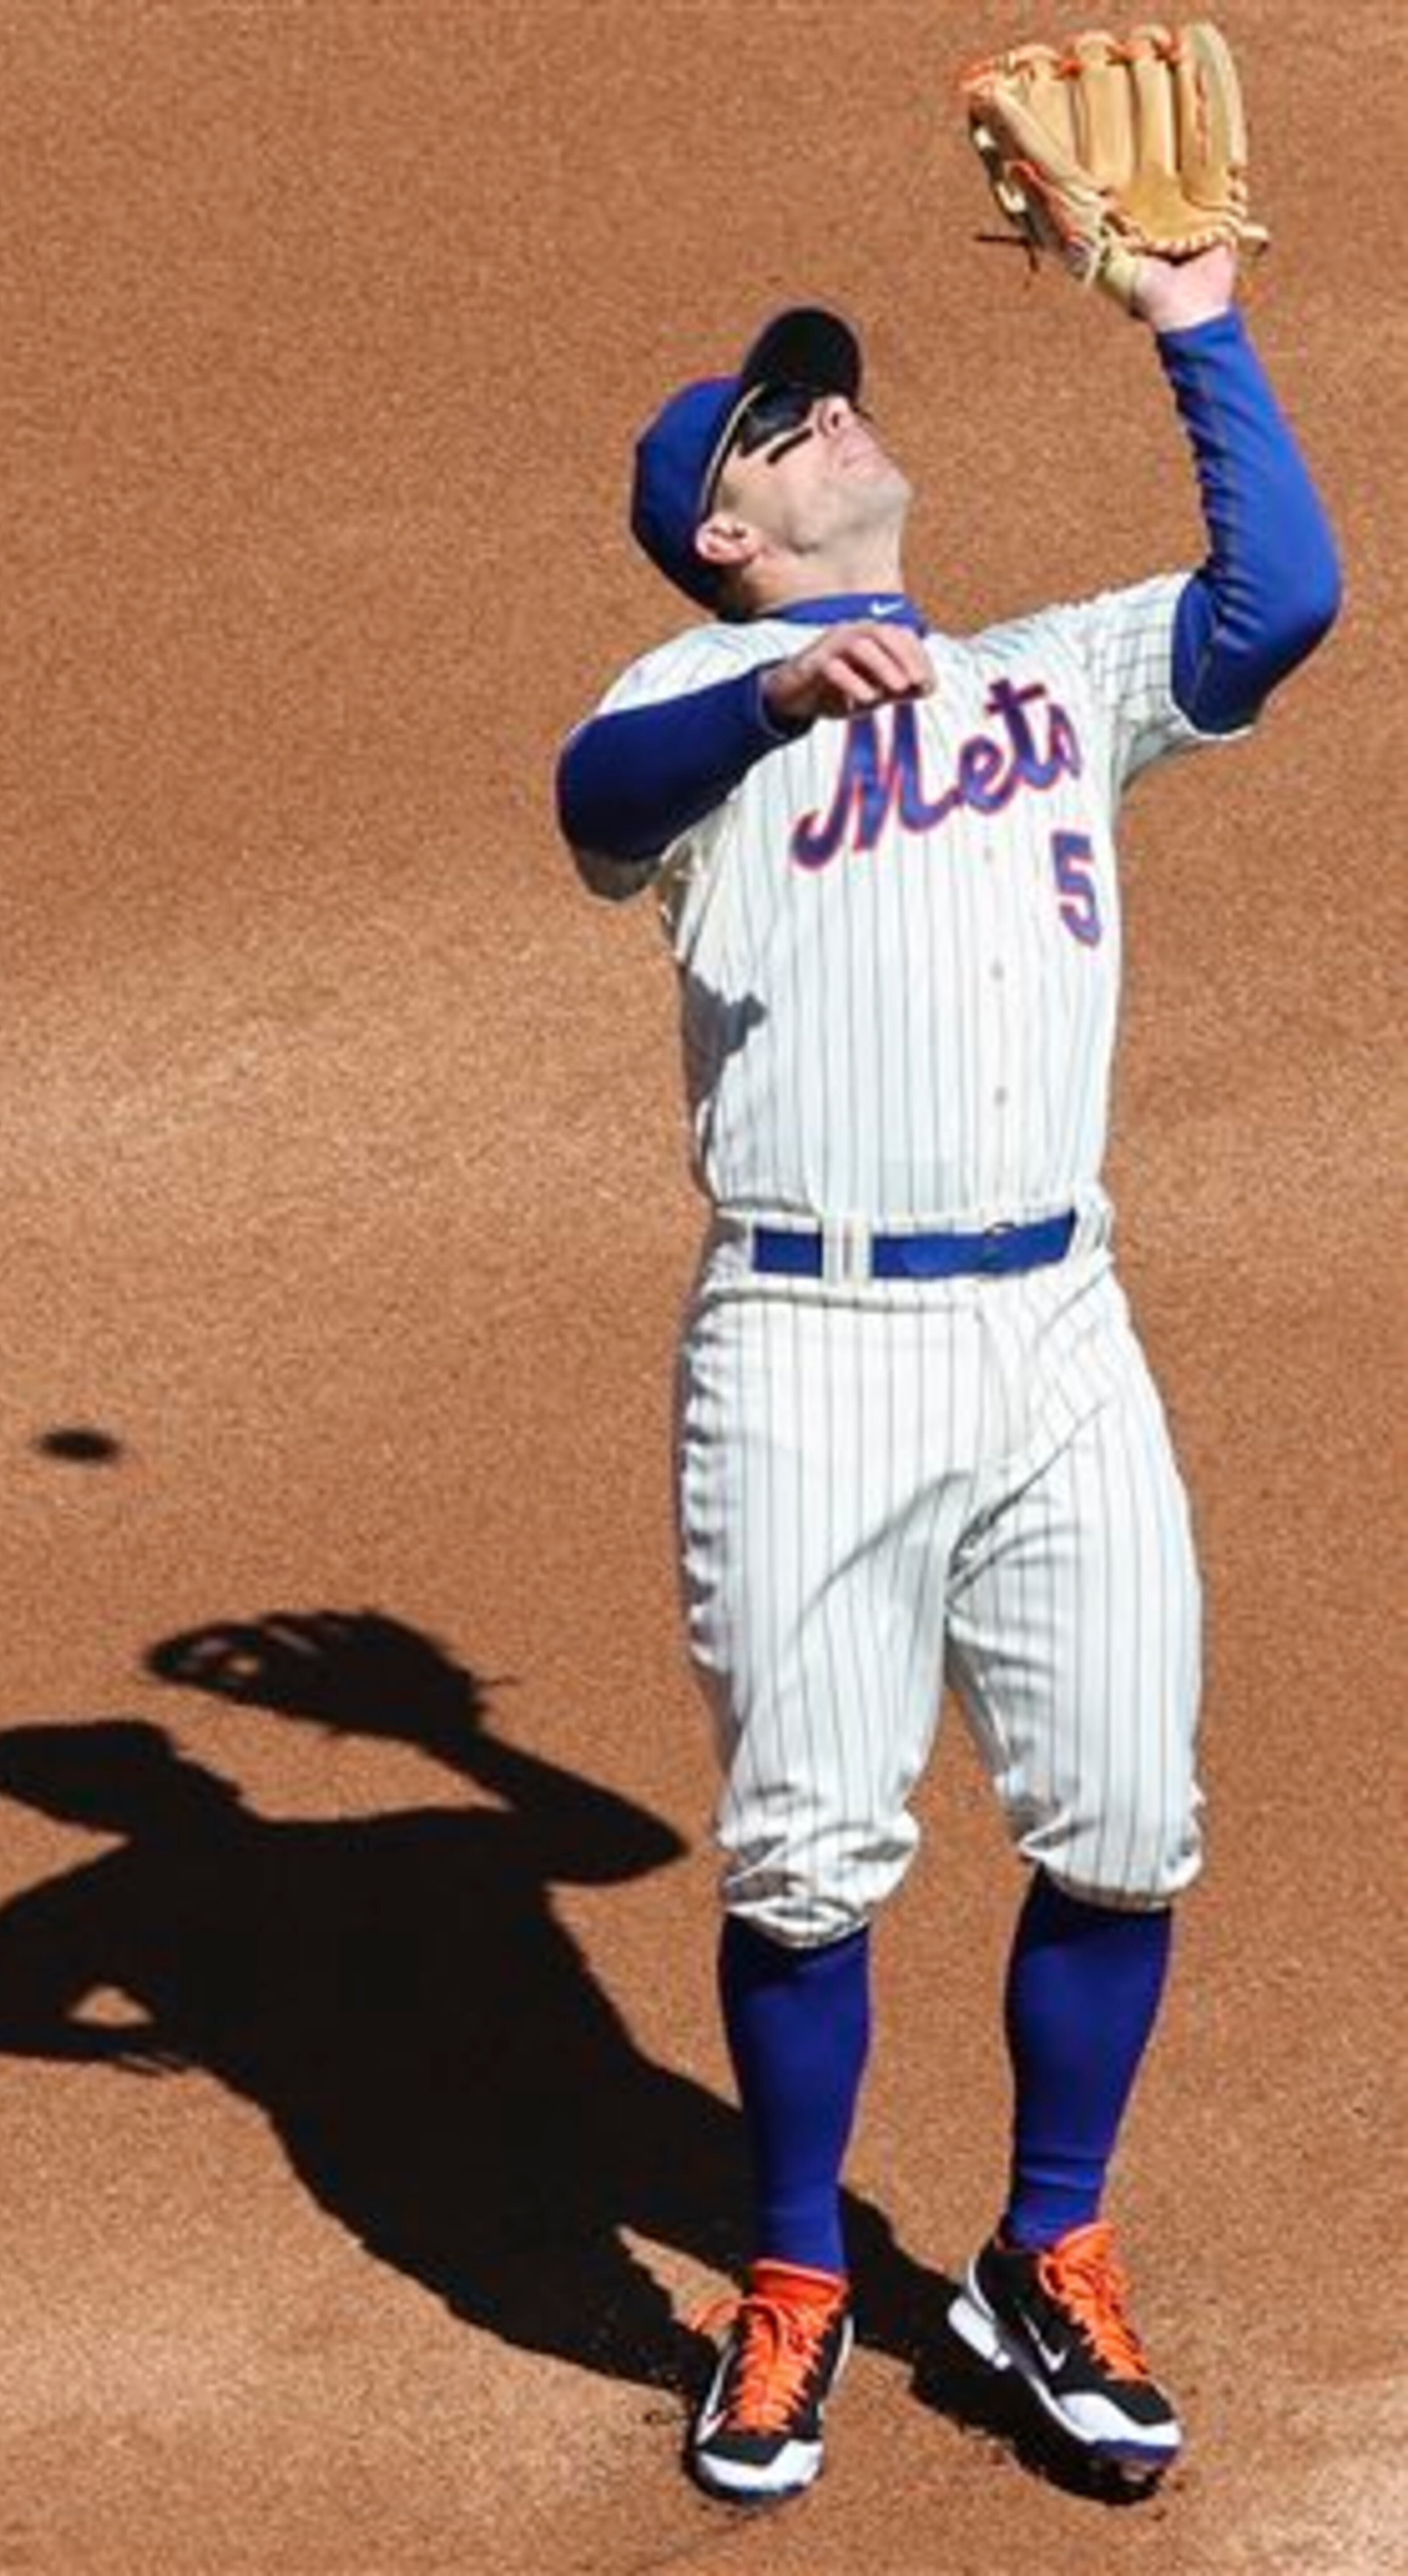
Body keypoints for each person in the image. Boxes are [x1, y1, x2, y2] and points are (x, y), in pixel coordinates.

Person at [554, 243, 1338, 2506]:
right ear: (728, 533)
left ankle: (1043, 2250)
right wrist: (777, 698)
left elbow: (1277, 600)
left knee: (1128, 1818)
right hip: (810, 1348)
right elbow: (595, 795)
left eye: (827, 397)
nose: (830, 418)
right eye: (774, 426)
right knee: (808, 1859)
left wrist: (1195, 325)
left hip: (1058, 1327)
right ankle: (796, 2272)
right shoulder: (693, 694)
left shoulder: (1048, 675)